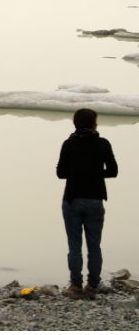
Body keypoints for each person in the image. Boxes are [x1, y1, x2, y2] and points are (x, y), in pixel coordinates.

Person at [56, 108, 118, 299]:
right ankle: (92, 285)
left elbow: (60, 173)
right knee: (94, 245)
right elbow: (113, 171)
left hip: (73, 199)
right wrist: (95, 173)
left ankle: (75, 285)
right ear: (94, 123)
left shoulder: (69, 144)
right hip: (95, 200)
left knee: (74, 245)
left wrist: (78, 172)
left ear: (75, 123)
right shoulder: (103, 144)